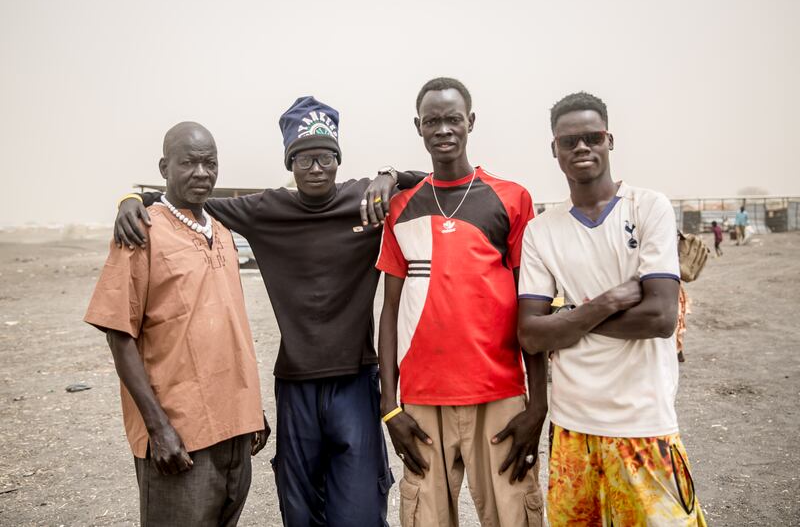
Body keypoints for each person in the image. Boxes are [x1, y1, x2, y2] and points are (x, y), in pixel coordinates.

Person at [112, 97, 426, 526]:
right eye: (303, 158)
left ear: (338, 159)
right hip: (295, 384)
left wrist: (390, 175)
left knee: (361, 512)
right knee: (299, 512)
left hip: (355, 380)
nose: (315, 167)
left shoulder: (364, 199)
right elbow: (183, 199)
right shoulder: (265, 210)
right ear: (289, 164)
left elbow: (437, 182)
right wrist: (130, 197)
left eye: (325, 157)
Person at [517, 92, 706, 525]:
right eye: (569, 141)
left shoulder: (648, 207)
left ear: (609, 140)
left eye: (591, 137)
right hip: (571, 428)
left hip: (645, 424)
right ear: (555, 149)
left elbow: (659, 318)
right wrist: (611, 300)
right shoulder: (542, 230)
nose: (581, 147)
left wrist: (567, 318)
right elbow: (530, 334)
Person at [376, 77, 546, 526]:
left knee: (514, 516)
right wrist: (389, 406)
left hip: (500, 394)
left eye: (453, 119)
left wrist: (538, 404)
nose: (443, 129)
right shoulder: (401, 208)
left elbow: (533, 306)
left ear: (470, 121)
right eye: (432, 121)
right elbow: (389, 311)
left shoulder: (511, 199)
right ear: (418, 126)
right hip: (421, 398)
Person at [85, 122, 269, 526]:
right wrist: (159, 429)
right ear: (164, 166)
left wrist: (252, 409)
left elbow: (229, 327)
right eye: (189, 163)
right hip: (179, 436)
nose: (202, 173)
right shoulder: (140, 230)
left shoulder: (221, 232)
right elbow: (119, 334)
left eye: (210, 163)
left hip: (235, 429)